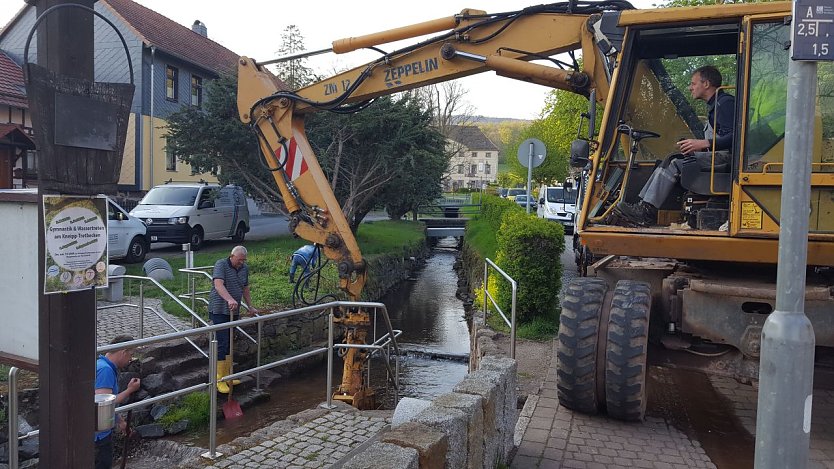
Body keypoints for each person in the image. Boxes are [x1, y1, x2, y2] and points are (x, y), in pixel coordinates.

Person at [614, 65, 736, 226]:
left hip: (728, 160)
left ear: (706, 84)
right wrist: (702, 147)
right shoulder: (717, 106)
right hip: (720, 156)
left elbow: (736, 138)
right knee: (672, 157)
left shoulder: (725, 104)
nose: (690, 87)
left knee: (675, 163)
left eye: (693, 83)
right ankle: (643, 206)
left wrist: (704, 143)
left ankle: (646, 211)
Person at [209, 245, 260, 393]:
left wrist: (250, 306)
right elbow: (218, 285)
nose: (241, 263)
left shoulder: (244, 269)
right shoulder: (221, 264)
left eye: (244, 260)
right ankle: (219, 379)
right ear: (232, 256)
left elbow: (245, 288)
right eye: (239, 260)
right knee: (222, 342)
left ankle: (228, 375)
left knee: (231, 341)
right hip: (219, 309)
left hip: (234, 311)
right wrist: (230, 299)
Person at [95, 335, 141, 469]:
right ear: (123, 352)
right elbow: (103, 403)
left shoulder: (102, 365)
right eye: (130, 355)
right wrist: (129, 390)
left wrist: (120, 422)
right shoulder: (105, 370)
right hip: (99, 435)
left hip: (101, 430)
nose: (130, 359)